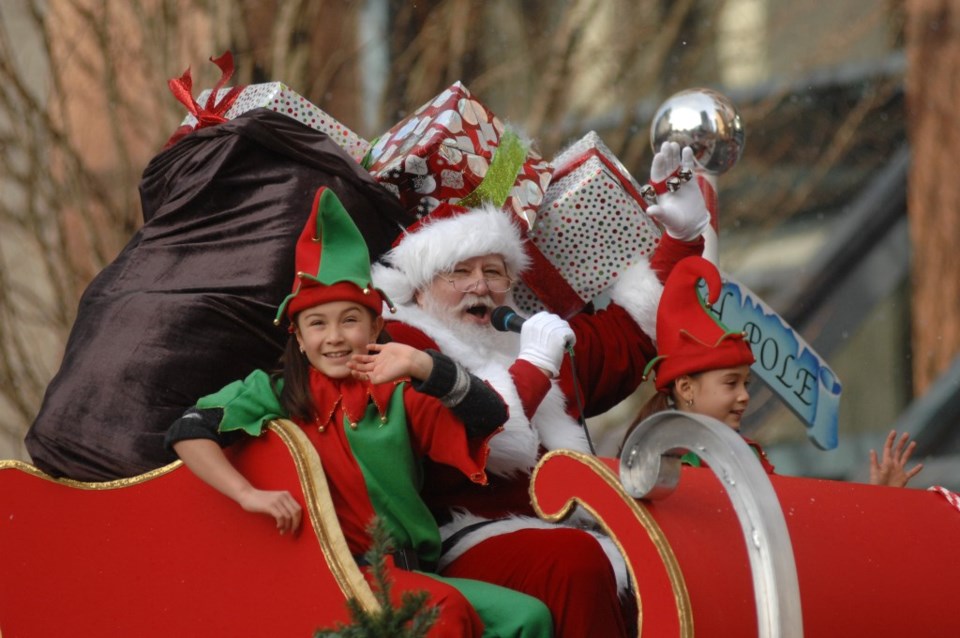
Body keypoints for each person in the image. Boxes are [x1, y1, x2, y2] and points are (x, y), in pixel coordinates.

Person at [165, 187, 553, 638]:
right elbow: (188, 429)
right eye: (317, 323)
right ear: (297, 333)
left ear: (374, 326)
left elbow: (489, 417)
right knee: (445, 612)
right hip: (335, 576)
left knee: (529, 617)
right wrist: (246, 494)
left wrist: (424, 364)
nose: (334, 336)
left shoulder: (400, 392)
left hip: (414, 573)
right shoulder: (275, 391)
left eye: (349, 320)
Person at [367, 142, 711, 637]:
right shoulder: (403, 341)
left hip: (574, 528)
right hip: (460, 535)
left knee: (679, 553)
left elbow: (628, 334)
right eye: (458, 272)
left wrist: (681, 237)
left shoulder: (526, 336)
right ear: (420, 285)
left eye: (493, 271)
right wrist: (534, 365)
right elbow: (484, 441)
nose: (480, 286)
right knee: (574, 561)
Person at [629, 255, 923, 487]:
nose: (745, 396)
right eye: (731, 383)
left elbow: (798, 530)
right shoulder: (661, 466)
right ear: (685, 388)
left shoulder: (748, 457)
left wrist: (876, 503)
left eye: (746, 383)